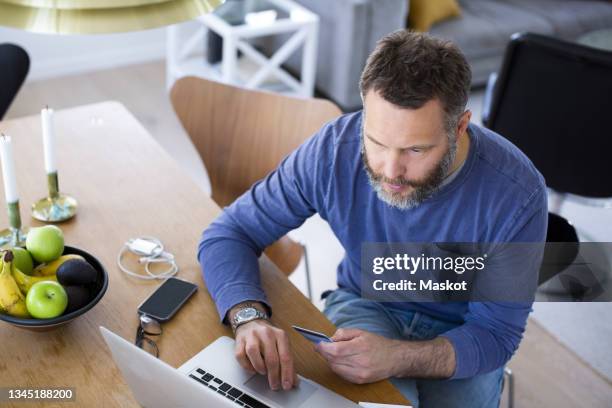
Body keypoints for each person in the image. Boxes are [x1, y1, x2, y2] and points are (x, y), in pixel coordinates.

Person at [198, 30, 547, 407]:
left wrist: (399, 356)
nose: (390, 170)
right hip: (368, 302)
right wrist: (248, 316)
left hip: (464, 329)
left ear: (459, 126)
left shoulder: (516, 194)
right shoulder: (334, 150)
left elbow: (496, 334)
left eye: (415, 149)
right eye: (377, 142)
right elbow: (230, 232)